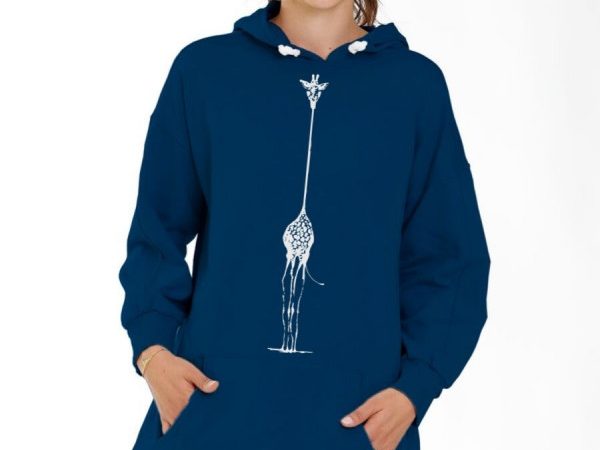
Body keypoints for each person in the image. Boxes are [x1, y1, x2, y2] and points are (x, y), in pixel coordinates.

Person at [118, 1, 491, 449]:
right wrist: (154, 353)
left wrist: (415, 388)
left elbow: (451, 259)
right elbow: (156, 232)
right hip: (213, 417)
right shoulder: (204, 72)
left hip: (355, 425)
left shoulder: (414, 86)